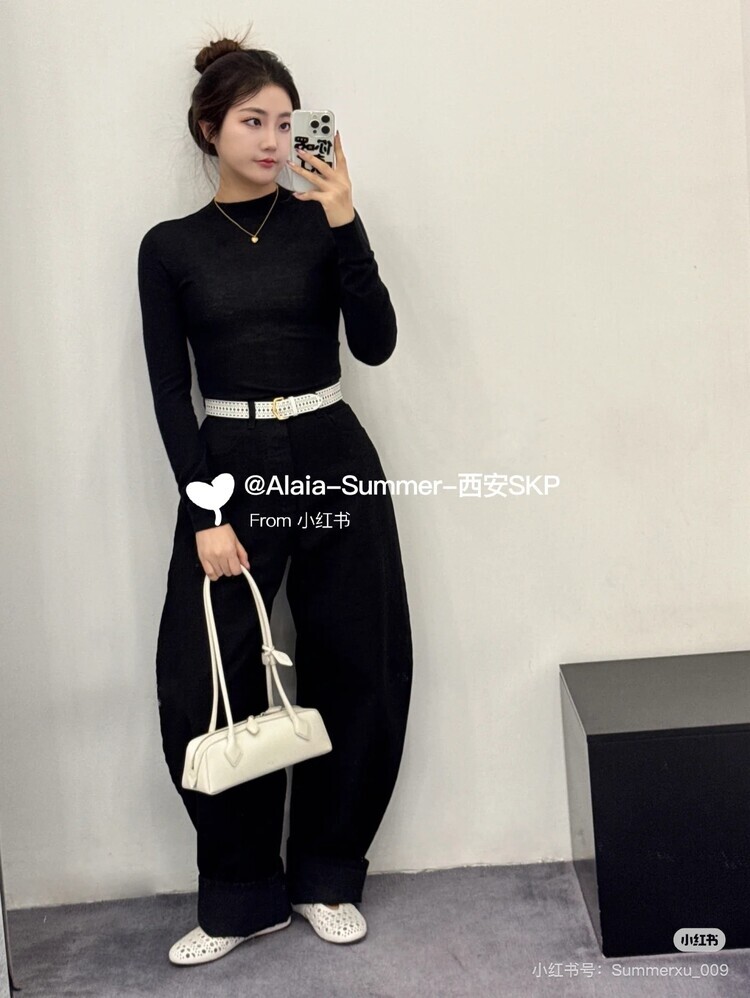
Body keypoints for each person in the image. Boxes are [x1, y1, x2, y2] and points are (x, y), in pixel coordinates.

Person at [137, 31, 414, 967]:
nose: (272, 139)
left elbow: (375, 343)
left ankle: (328, 876)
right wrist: (206, 513)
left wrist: (344, 217)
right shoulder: (170, 248)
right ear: (209, 128)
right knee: (205, 676)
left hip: (332, 451)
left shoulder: (316, 220)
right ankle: (242, 896)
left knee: (359, 659)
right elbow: (169, 393)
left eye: (285, 123)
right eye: (252, 121)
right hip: (231, 466)